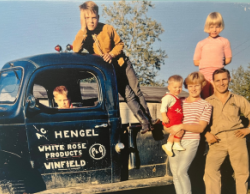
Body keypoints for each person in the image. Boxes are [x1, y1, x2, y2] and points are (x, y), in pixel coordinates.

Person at [72, 1, 159, 133]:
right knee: (128, 95)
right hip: (111, 70)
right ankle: (144, 122)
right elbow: (76, 49)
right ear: (82, 20)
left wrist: (111, 54)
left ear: (98, 17)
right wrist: (83, 29)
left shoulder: (108, 28)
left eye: (93, 18)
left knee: (136, 90)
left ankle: (150, 118)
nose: (91, 21)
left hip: (122, 64)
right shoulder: (83, 35)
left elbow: (120, 44)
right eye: (86, 18)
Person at [204, 68, 250, 194]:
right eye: (218, 80)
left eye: (224, 79)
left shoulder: (238, 99)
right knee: (210, 172)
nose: (221, 83)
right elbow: (199, 122)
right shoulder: (207, 102)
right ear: (213, 82)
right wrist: (206, 134)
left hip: (237, 137)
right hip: (216, 140)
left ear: (229, 79)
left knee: (242, 172)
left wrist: (249, 128)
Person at [165, 72, 212, 194]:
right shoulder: (178, 101)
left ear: (202, 85)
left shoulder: (206, 105)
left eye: (197, 85)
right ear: (186, 87)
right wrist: (171, 129)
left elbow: (201, 128)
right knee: (175, 174)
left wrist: (181, 126)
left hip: (191, 141)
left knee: (182, 171)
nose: (194, 88)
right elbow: (168, 123)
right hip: (174, 140)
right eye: (190, 86)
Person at [193, 12, 232, 99]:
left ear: (221, 26)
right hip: (204, 74)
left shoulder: (224, 41)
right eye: (211, 27)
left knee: (217, 97)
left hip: (218, 74)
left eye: (217, 26)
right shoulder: (201, 43)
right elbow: (196, 62)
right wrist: (208, 62)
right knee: (206, 98)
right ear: (207, 27)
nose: (214, 30)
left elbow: (228, 58)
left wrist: (218, 63)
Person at [161, 75, 185, 157]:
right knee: (179, 130)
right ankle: (176, 144)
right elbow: (163, 108)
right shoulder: (168, 97)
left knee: (174, 133)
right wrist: (164, 117)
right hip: (171, 120)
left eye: (180, 87)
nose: (178, 89)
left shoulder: (176, 98)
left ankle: (169, 145)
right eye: (175, 87)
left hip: (176, 120)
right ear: (169, 87)